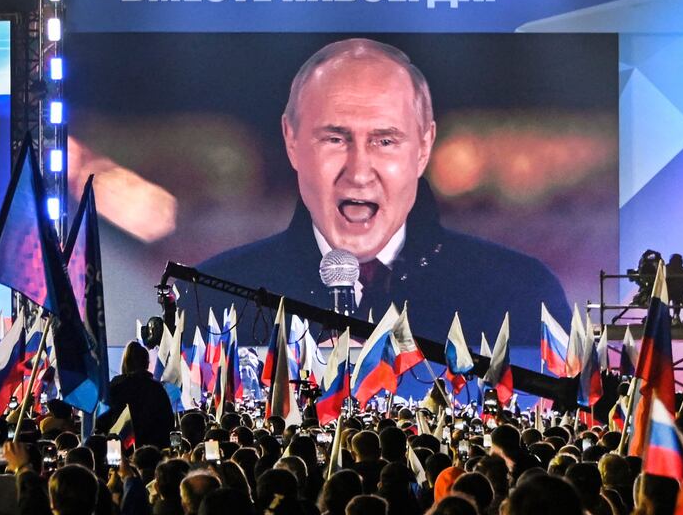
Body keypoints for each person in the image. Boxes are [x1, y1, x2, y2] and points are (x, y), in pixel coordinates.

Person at [187, 38, 569, 349]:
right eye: (335, 139)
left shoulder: (519, 295)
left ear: (423, 147)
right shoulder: (215, 298)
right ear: (291, 141)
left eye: (385, 141)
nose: (358, 172)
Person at [96, 342, 175, 449]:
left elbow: (102, 421)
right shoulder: (157, 389)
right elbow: (169, 423)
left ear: (125, 363)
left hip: (118, 450)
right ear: (147, 363)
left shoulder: (115, 387)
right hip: (154, 450)